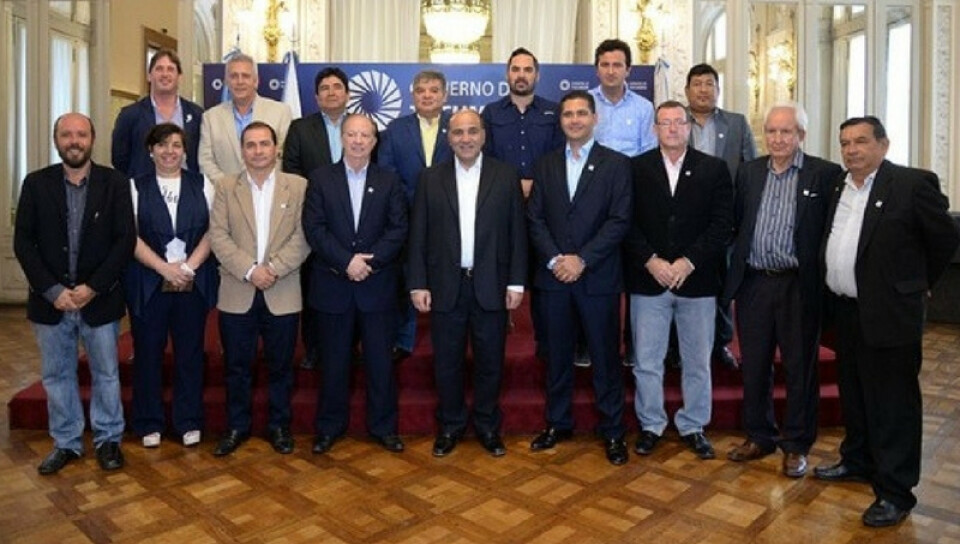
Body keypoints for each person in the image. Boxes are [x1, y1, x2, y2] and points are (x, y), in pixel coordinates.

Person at [816, 116, 959, 527]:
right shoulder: (838, 185)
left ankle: (896, 491)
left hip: (891, 313)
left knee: (894, 404)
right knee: (855, 393)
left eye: (861, 141)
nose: (852, 150)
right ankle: (857, 460)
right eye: (845, 142)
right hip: (845, 310)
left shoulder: (912, 184)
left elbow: (945, 238)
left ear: (883, 144)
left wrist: (917, 283)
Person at [722, 103, 841, 477]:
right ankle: (759, 436)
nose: (777, 139)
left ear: (800, 135)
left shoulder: (824, 174)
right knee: (755, 365)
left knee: (799, 368)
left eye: (785, 132)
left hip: (798, 286)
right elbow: (738, 223)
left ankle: (797, 445)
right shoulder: (750, 172)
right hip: (754, 283)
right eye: (771, 131)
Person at [14, 113, 136, 474]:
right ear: (57, 141)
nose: (74, 141)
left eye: (81, 134)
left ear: (92, 139)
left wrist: (93, 287)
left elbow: (125, 240)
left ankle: (108, 440)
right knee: (57, 375)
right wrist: (53, 290)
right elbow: (23, 242)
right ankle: (66, 442)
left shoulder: (115, 183)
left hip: (99, 299)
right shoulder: (36, 183)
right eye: (66, 135)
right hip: (50, 302)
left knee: (106, 374)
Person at [407, 109, 527, 458]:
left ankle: (488, 426)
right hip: (446, 285)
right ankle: (450, 425)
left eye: (472, 131)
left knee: (491, 361)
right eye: (458, 132)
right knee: (447, 362)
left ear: (484, 135)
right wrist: (418, 283)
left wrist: (516, 282)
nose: (466, 138)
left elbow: (517, 233)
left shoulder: (505, 175)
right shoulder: (430, 178)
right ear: (449, 138)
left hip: (491, 285)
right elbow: (418, 234)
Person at [526, 90, 632, 466]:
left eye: (581, 113)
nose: (574, 120)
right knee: (556, 357)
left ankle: (613, 430)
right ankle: (558, 423)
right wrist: (557, 259)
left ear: (594, 118)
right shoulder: (545, 164)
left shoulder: (616, 164)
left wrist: (582, 259)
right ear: (561, 121)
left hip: (597, 278)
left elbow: (619, 220)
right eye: (568, 114)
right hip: (554, 278)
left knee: (605, 357)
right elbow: (535, 218)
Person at [624, 100, 732, 461]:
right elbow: (625, 222)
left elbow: (722, 225)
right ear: (654, 129)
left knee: (697, 361)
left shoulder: (714, 169)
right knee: (647, 361)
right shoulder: (635, 168)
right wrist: (651, 261)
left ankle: (693, 424)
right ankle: (651, 424)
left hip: (697, 282)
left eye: (678, 122)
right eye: (664, 122)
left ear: (689, 127)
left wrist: (688, 262)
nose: (672, 128)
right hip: (648, 279)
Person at [303, 114, 408, 455]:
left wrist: (369, 263)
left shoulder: (389, 180)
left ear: (375, 142)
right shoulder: (320, 178)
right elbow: (314, 228)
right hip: (333, 287)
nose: (359, 141)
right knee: (333, 364)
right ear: (342, 138)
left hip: (377, 288)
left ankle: (384, 428)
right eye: (352, 135)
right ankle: (329, 427)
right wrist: (346, 262)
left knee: (380, 364)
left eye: (365, 135)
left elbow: (398, 229)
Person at [208, 121, 310, 457]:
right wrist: (251, 271)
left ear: (276, 148)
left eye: (264, 144)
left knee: (281, 366)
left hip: (283, 290)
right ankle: (237, 426)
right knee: (237, 366)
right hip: (238, 291)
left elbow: (304, 236)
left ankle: (279, 426)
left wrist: (274, 269)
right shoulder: (226, 186)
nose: (258, 151)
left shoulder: (298, 186)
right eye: (250, 145)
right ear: (242, 150)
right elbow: (218, 235)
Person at [124, 123, 218, 449]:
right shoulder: (135, 187)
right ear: (150, 151)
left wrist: (188, 268)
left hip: (192, 281)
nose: (169, 151)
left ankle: (188, 420)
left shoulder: (203, 184)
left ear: (185, 150)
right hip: (149, 283)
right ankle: (149, 422)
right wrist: (163, 268)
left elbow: (214, 231)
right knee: (148, 354)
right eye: (162, 145)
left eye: (176, 145)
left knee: (189, 354)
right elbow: (130, 236)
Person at [481, 47, 564, 362]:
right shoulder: (491, 113)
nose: (521, 75)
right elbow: (484, 159)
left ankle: (546, 342)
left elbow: (559, 157)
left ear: (537, 75)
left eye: (527, 70)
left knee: (544, 273)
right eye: (515, 69)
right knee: (500, 266)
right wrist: (513, 185)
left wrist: (534, 184)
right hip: (502, 204)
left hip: (545, 206)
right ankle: (498, 330)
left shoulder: (554, 112)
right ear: (507, 74)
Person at [684, 63, 758, 370]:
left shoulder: (737, 123)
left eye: (709, 84)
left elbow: (751, 169)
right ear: (687, 90)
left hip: (725, 220)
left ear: (718, 89)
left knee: (723, 286)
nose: (703, 90)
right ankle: (680, 347)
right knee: (684, 285)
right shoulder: (676, 121)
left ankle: (721, 344)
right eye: (697, 84)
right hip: (684, 220)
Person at [589, 38, 657, 369]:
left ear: (628, 69)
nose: (611, 71)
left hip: (632, 201)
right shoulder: (585, 104)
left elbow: (648, 158)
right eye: (605, 64)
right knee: (594, 275)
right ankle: (592, 345)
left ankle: (632, 346)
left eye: (617, 65)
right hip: (592, 202)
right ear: (596, 69)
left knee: (634, 276)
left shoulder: (644, 108)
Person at [380, 70, 453, 360]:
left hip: (451, 218)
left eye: (434, 90)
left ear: (445, 96)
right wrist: (414, 205)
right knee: (407, 278)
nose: (427, 95)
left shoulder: (458, 126)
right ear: (412, 96)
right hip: (407, 216)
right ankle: (403, 338)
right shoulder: (396, 129)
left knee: (448, 279)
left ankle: (447, 338)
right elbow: (387, 173)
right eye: (421, 90)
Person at [282, 66, 351, 371]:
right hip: (315, 218)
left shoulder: (362, 126)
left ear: (347, 94)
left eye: (337, 87)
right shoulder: (300, 129)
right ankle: (313, 348)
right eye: (325, 88)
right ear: (316, 96)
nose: (331, 92)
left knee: (351, 285)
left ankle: (350, 346)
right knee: (314, 286)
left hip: (354, 219)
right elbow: (292, 171)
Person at [198, 53, 292, 182]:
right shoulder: (210, 117)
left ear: (256, 81)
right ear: (226, 82)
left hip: (269, 190)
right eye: (234, 76)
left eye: (245, 76)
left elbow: (283, 158)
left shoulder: (281, 112)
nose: (240, 81)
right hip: (225, 192)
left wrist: (262, 186)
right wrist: (230, 187)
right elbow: (205, 161)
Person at [111, 48, 204, 178]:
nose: (165, 74)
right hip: (144, 187)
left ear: (179, 77)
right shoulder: (130, 115)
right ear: (149, 76)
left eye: (170, 69)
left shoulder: (196, 114)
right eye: (159, 69)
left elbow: (201, 156)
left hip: (187, 187)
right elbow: (119, 158)